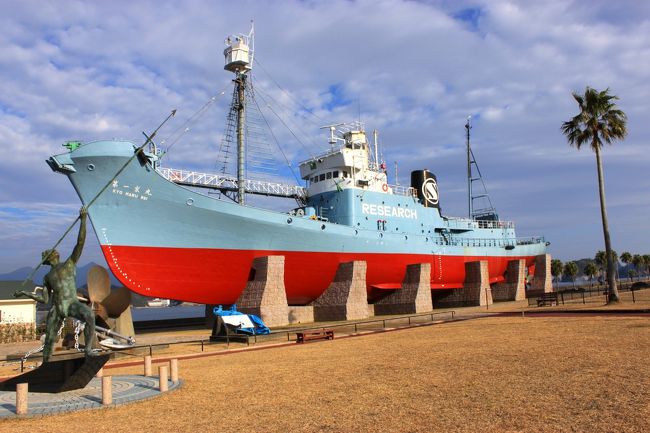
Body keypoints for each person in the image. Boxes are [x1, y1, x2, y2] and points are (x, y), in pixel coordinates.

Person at [14, 207, 98, 362]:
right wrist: (25, 293)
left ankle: (87, 350)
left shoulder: (70, 264)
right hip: (57, 308)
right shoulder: (47, 277)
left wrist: (83, 220)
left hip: (72, 304)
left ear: (50, 256)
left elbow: (80, 242)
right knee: (49, 340)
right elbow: (44, 299)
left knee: (90, 315)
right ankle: (46, 363)